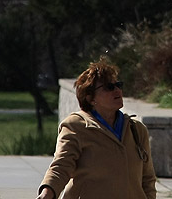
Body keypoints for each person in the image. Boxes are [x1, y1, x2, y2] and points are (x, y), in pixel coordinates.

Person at [36, 58, 156, 199]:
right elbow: (61, 166)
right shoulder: (75, 126)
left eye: (118, 85)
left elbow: (147, 179)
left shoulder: (136, 129)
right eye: (108, 87)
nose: (117, 90)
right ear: (90, 98)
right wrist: (47, 192)